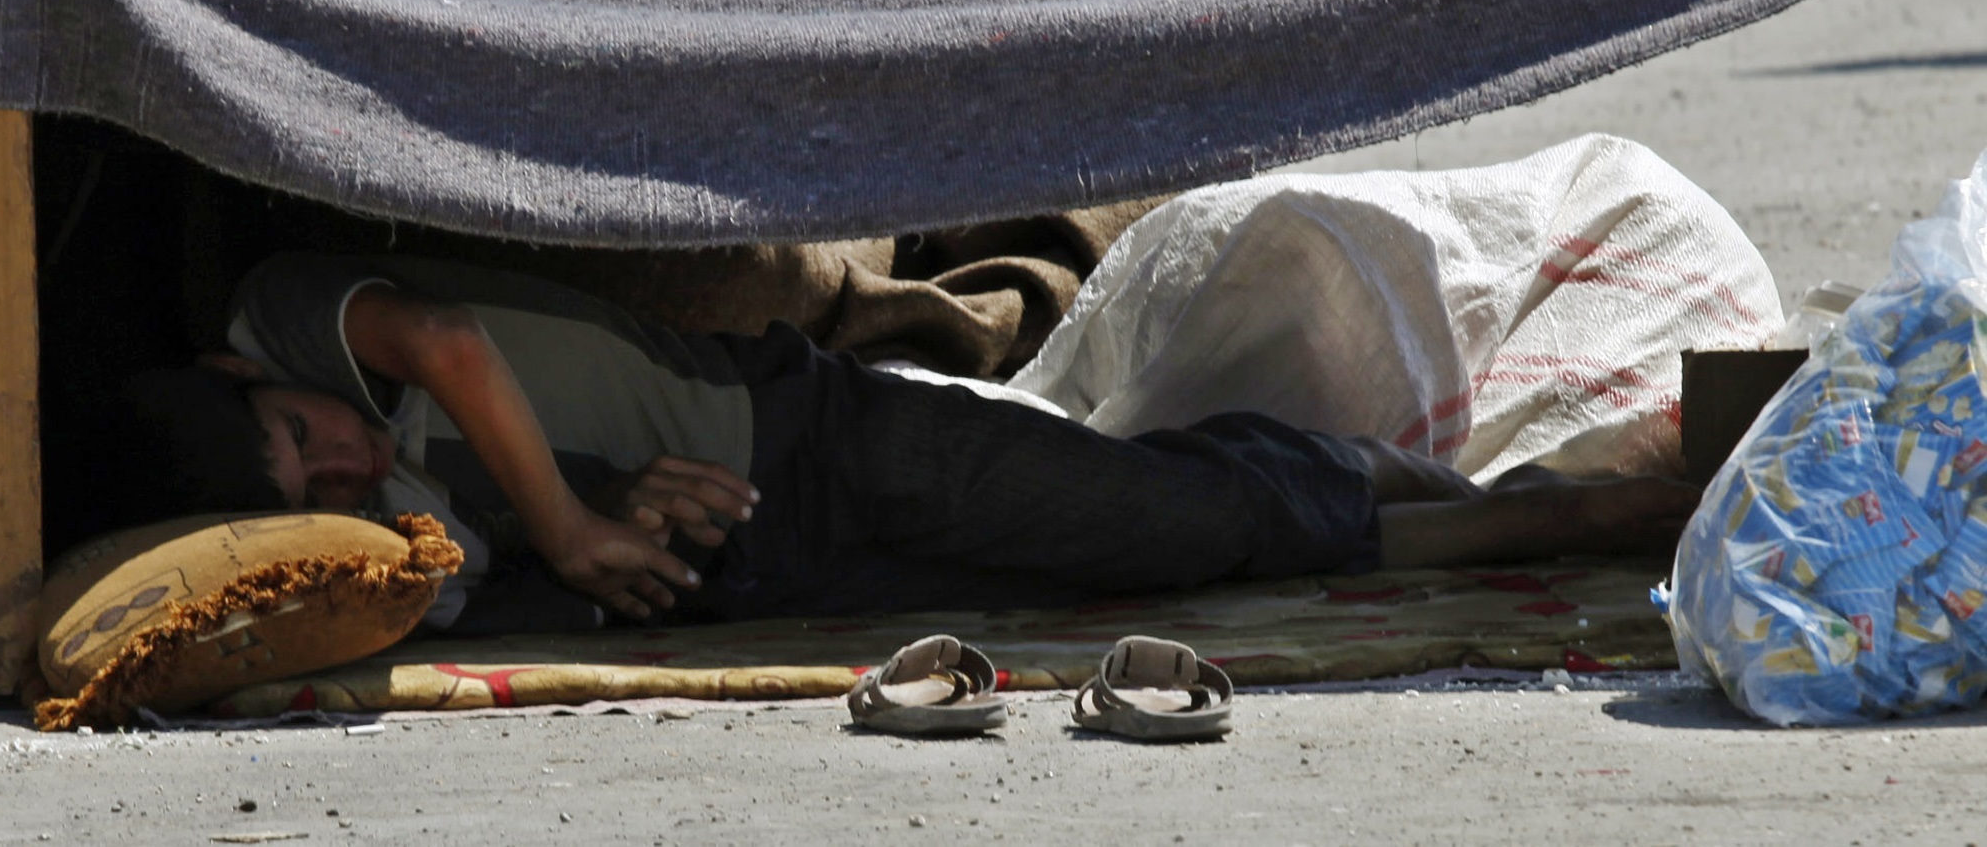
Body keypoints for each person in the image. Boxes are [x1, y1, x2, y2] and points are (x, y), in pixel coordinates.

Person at [113, 252, 1698, 631]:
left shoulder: (284, 305)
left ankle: (1493, 507)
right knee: (1127, 573)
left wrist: (577, 522)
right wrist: (592, 518)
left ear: (242, 374)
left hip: (815, 429)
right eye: (309, 491)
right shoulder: (365, 528)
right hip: (775, 552)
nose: (331, 464)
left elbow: (449, 348)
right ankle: (1481, 513)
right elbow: (531, 546)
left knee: (1155, 521)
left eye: (302, 437)